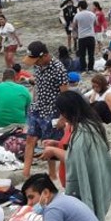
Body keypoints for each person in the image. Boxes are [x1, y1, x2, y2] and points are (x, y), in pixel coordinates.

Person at [49, 91, 111, 221]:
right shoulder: (90, 125)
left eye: (61, 112)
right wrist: (56, 145)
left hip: (83, 187)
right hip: (94, 181)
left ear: (67, 111)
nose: (61, 116)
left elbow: (75, 159)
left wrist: (53, 151)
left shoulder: (83, 133)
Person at [22, 41, 68, 179]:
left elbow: (65, 94)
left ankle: (52, 175)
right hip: (37, 107)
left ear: (45, 56)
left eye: (36, 60)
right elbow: (38, 84)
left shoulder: (58, 68)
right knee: (30, 139)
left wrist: (63, 117)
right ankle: (25, 174)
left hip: (52, 110)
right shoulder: (38, 66)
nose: (35, 64)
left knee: (48, 143)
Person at [22, 173, 104, 221]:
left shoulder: (53, 209)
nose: (29, 203)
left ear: (46, 193)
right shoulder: (64, 199)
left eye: (31, 197)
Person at [72, 0, 96, 72]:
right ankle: (90, 68)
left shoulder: (77, 15)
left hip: (82, 36)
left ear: (80, 7)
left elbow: (74, 26)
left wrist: (76, 31)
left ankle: (83, 68)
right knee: (91, 54)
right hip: (91, 36)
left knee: (82, 54)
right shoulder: (92, 14)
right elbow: (95, 23)